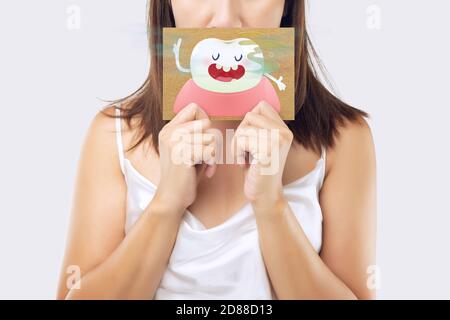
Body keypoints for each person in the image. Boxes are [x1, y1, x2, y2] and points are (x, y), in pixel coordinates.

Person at [57, 0, 377, 300]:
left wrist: (271, 204)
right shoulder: (114, 135)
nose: (225, 18)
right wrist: (167, 203)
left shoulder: (343, 140)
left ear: (287, 5)